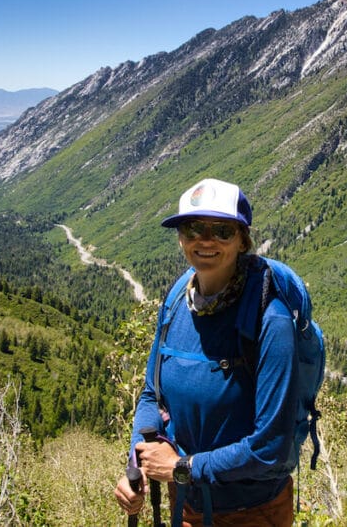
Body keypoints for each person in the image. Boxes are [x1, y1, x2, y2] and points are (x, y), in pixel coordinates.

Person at [114, 177, 303, 527]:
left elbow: (269, 448)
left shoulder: (270, 321)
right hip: (185, 502)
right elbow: (152, 396)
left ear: (242, 240)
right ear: (180, 237)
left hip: (251, 512)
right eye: (192, 228)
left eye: (222, 231)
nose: (205, 240)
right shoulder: (175, 303)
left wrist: (180, 467)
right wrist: (137, 464)